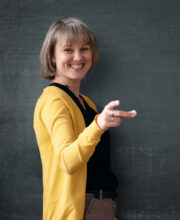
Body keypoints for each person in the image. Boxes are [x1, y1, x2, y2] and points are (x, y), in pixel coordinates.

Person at [33, 18, 135, 220]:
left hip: (100, 205)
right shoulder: (54, 100)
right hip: (80, 209)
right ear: (52, 56)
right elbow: (68, 162)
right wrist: (98, 125)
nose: (78, 57)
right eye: (68, 50)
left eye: (84, 49)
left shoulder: (86, 103)